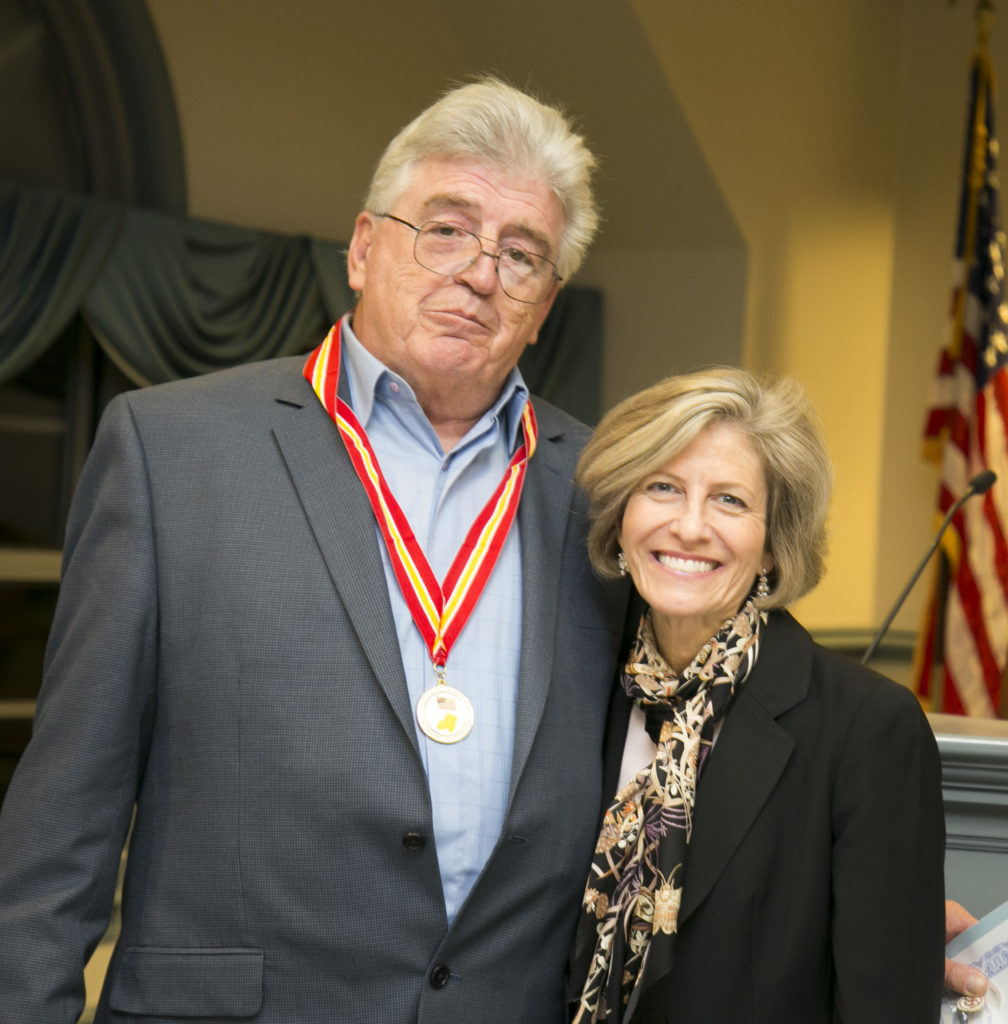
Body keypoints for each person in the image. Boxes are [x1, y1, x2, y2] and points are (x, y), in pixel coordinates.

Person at [0, 78, 630, 1024]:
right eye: (446, 229)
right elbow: (60, 829)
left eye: (521, 254)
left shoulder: (607, 490)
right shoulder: (171, 452)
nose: (479, 272)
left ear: (544, 306)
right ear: (366, 248)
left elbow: (698, 761)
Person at [567, 368, 947, 1023]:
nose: (689, 527)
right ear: (622, 517)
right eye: (662, 487)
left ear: (772, 545)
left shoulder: (866, 729)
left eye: (729, 501)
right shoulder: (577, 691)